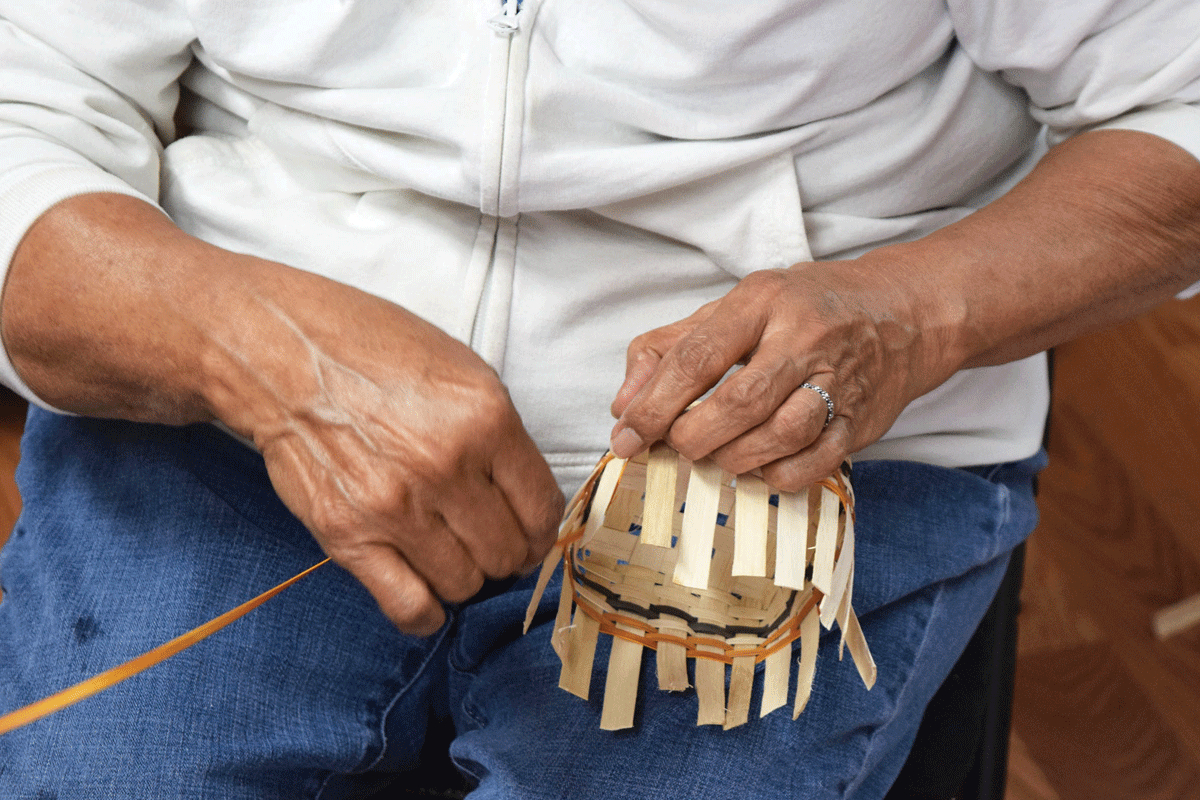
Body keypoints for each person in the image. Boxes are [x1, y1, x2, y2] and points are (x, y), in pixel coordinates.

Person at [0, 1, 1197, 797]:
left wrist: (907, 314)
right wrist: (252, 354)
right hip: (238, 386)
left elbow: (1177, 102)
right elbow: (27, 97)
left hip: (793, 457)